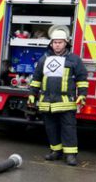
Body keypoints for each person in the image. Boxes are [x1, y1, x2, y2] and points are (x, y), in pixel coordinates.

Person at [28, 27, 88, 166]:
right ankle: (56, 151)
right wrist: (32, 94)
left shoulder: (74, 60)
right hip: (47, 102)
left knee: (69, 128)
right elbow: (36, 78)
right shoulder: (44, 59)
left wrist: (83, 95)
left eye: (60, 42)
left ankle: (70, 155)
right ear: (51, 44)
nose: (57, 45)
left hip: (65, 101)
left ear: (66, 43)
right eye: (55, 42)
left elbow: (82, 78)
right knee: (51, 128)